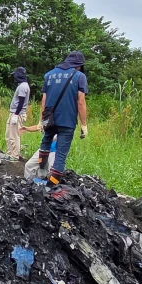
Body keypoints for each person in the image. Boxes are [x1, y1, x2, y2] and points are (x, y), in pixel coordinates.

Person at [33, 51, 89, 184]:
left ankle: (42, 171)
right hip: (67, 121)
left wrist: (41, 120)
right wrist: (84, 124)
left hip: (49, 118)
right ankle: (52, 184)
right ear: (79, 65)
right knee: (61, 154)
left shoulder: (49, 75)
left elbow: (44, 100)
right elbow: (80, 101)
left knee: (45, 142)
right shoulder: (79, 76)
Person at [5, 67, 30, 160]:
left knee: (14, 136)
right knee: (8, 135)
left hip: (17, 114)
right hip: (13, 113)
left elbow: (21, 102)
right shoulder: (21, 85)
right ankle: (9, 153)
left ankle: (14, 156)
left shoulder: (23, 86)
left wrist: (16, 114)